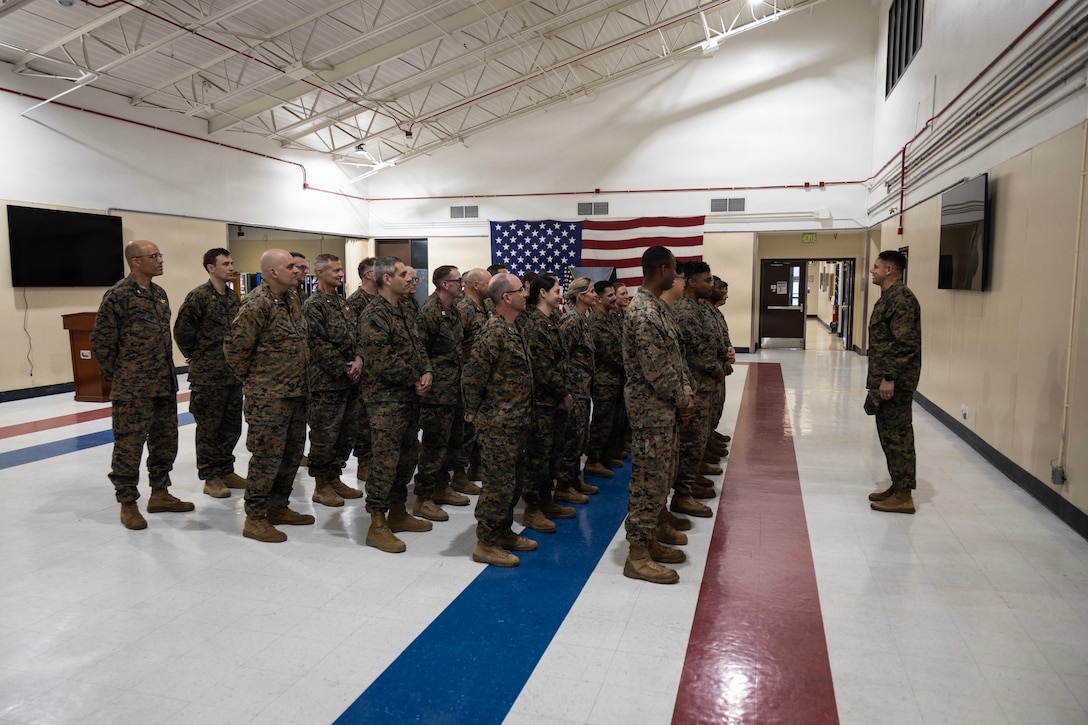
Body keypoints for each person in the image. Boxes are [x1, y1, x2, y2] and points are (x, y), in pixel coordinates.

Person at [91, 240, 192, 530]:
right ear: (136, 261)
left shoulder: (159, 294)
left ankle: (160, 493)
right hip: (133, 388)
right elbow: (101, 340)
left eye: (160, 254)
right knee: (129, 446)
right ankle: (128, 502)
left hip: (163, 382)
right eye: (155, 256)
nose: (161, 260)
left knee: (165, 442)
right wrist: (121, 374)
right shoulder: (118, 295)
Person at [224, 249, 314, 542]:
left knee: (290, 456)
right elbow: (235, 350)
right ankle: (256, 517)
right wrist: (258, 382)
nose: (297, 271)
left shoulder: (291, 300)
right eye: (291, 267)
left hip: (296, 393)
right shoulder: (256, 304)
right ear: (273, 272)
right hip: (269, 398)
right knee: (266, 458)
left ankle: (278, 507)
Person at [622, 246, 693, 584]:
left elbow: (674, 360)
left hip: (664, 409)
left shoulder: (658, 309)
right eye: (675, 271)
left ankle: (650, 537)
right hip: (650, 411)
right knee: (649, 480)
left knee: (662, 475)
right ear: (663, 269)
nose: (677, 277)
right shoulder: (644, 313)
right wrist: (683, 399)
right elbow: (657, 372)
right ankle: (637, 555)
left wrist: (685, 395)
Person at [358, 256, 433, 553]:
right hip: (385, 402)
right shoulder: (374, 314)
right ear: (387, 279)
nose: (410, 279)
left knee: (406, 459)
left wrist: (426, 370)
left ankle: (398, 511)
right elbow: (381, 361)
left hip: (408, 399)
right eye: (403, 274)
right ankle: (377, 523)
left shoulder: (404, 308)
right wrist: (415, 376)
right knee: (385, 463)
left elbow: (418, 346)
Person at [463, 273, 536, 567]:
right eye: (521, 291)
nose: (526, 295)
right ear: (506, 297)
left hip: (515, 421)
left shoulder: (512, 328)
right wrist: (474, 410)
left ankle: (503, 531)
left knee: (513, 481)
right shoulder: (493, 331)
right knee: (498, 483)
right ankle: (486, 542)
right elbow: (472, 376)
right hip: (498, 423)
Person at [173, 247, 245, 499]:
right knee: (208, 428)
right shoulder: (199, 297)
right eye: (225, 263)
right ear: (210, 268)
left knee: (231, 426)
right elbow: (182, 330)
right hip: (208, 376)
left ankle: (226, 469)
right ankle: (210, 476)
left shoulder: (233, 298)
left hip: (232, 374)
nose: (230, 267)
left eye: (231, 262)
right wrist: (196, 353)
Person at [303, 253, 364, 507]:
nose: (340, 274)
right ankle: (321, 485)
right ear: (320, 273)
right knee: (325, 435)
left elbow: (356, 335)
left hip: (349, 382)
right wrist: (343, 367)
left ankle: (335, 476)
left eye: (341, 270)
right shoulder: (313, 305)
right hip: (326, 383)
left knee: (346, 433)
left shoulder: (343, 304)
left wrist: (359, 359)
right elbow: (316, 342)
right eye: (335, 271)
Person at [413, 265, 472, 521]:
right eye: (458, 280)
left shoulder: (455, 310)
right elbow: (419, 349)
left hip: (454, 389)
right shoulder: (429, 312)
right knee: (434, 445)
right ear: (444, 284)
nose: (463, 284)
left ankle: (442, 487)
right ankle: (423, 497)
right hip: (437, 392)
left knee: (452, 443)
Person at [866, 250, 922, 514]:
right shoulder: (889, 297)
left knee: (898, 435)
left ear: (890, 270)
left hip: (895, 382)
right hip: (885, 379)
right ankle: (897, 485)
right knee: (888, 435)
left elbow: (906, 344)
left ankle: (904, 495)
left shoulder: (902, 299)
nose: (872, 270)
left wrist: (889, 378)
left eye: (876, 267)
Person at [519, 273, 576, 532]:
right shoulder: (534, 323)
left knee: (553, 454)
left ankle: (546, 499)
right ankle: (532, 508)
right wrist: (562, 392)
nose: (560, 294)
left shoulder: (552, 320)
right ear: (542, 293)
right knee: (537, 458)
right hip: (541, 402)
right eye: (556, 290)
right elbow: (542, 367)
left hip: (554, 401)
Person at [670, 261, 719, 518]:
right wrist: (716, 366)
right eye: (707, 280)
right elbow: (692, 354)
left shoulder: (698, 308)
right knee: (691, 443)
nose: (711, 284)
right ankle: (683, 494)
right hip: (695, 386)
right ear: (691, 282)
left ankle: (689, 484)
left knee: (697, 442)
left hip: (704, 384)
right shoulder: (685, 311)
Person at [555, 277, 599, 502]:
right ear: (581, 296)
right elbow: (561, 356)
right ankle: (563, 485)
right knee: (571, 438)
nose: (595, 295)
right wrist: (565, 391)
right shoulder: (571, 321)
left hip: (583, 389)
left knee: (580, 437)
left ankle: (572, 479)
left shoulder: (583, 319)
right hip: (574, 389)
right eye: (591, 291)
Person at [454, 267, 492, 491]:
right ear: (476, 285)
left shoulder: (485, 306)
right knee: (465, 430)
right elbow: (457, 344)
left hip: (482, 377)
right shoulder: (463, 309)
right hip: (466, 377)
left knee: (478, 428)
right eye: (488, 283)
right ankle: (459, 474)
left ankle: (475, 467)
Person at [585, 280, 626, 478]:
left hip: (617, 380)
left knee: (614, 422)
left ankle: (606, 455)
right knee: (602, 422)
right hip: (604, 381)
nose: (614, 298)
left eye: (613, 294)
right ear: (599, 299)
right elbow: (609, 353)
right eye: (610, 295)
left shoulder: (612, 317)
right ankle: (593, 460)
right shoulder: (596, 322)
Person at [346, 257, 377, 482]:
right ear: (368, 274)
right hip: (364, 369)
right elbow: (354, 336)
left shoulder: (382, 300)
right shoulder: (356, 301)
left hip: (380, 369)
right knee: (363, 419)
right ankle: (364, 461)